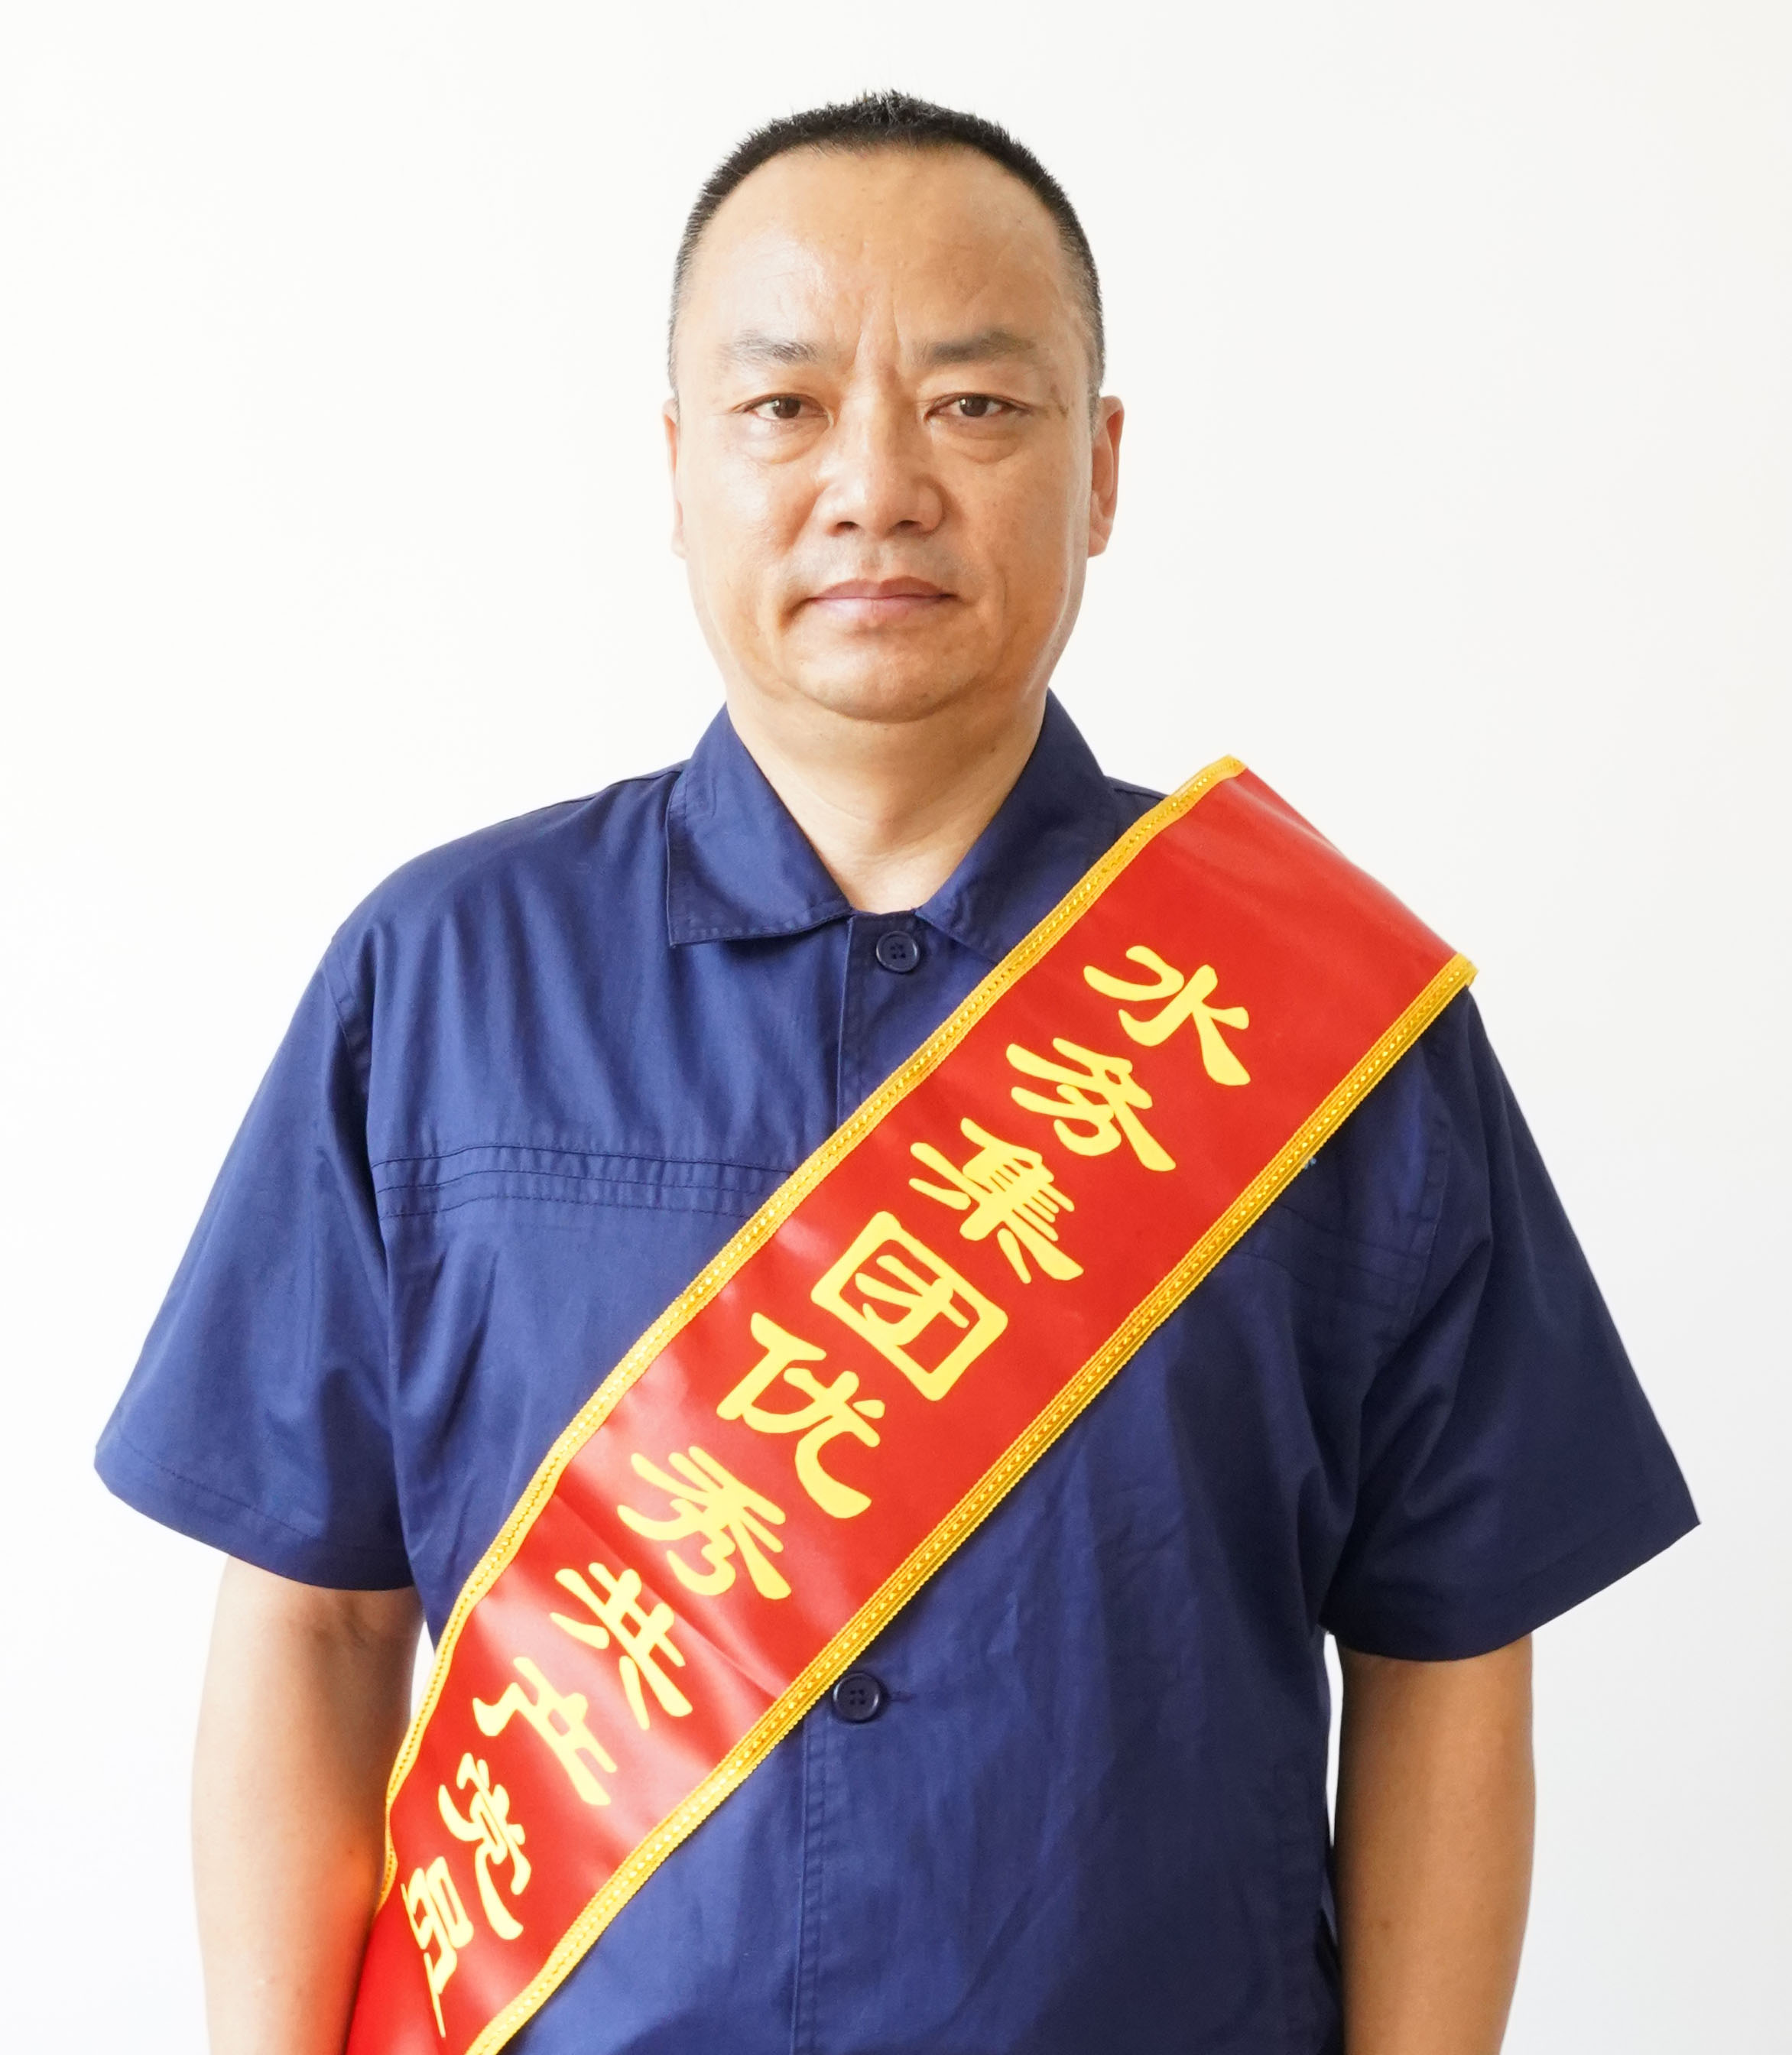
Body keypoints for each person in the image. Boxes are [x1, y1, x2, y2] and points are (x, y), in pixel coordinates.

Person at [97, 91, 1695, 2055]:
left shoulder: (1325, 1022)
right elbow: (314, 1621)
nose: (873, 484)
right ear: (677, 467)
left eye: (973, 406)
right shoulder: (433, 980)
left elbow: (1446, 1657)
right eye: (782, 407)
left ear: (1098, 470)